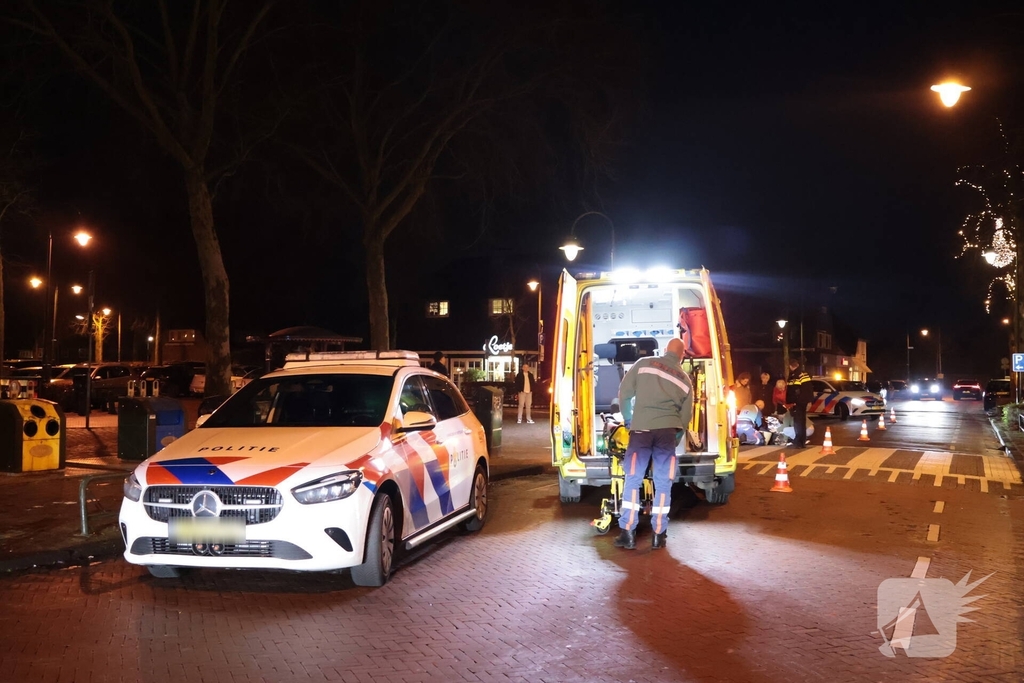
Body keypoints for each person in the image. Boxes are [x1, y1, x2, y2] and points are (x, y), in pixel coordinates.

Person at [614, 337, 694, 551]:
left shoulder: (644, 364)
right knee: (663, 484)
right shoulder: (685, 381)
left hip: (640, 432)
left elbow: (624, 394)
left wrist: (629, 419)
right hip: (667, 435)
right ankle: (659, 535)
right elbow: (685, 418)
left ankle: (628, 533)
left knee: (633, 480)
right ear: (683, 355)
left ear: (665, 350)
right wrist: (674, 437)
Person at [785, 359, 812, 448]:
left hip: (798, 403)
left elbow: (794, 391)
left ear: (790, 366)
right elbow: (807, 390)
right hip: (800, 402)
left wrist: (794, 402)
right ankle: (801, 441)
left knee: (798, 422)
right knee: (800, 422)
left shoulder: (797, 375)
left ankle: (799, 441)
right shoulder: (801, 374)